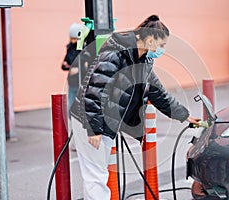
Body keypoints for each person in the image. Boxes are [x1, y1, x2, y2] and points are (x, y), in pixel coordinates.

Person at [70, 15, 201, 200]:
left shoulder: (145, 61)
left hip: (104, 123)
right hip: (89, 120)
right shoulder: (115, 54)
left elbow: (158, 93)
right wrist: (94, 129)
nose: (162, 50)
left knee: (98, 175)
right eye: (161, 45)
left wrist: (185, 115)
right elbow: (94, 91)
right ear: (149, 40)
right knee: (96, 176)